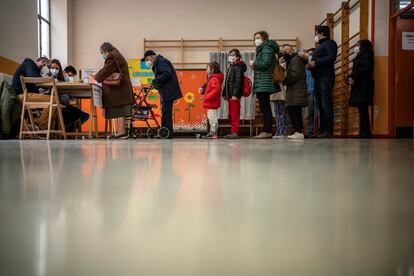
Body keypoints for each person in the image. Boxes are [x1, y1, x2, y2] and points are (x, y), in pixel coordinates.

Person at [93, 42, 135, 139]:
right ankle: (121, 132)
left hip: (120, 88)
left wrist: (97, 76)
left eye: (101, 53)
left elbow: (106, 70)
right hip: (122, 88)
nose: (102, 55)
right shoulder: (117, 54)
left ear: (105, 51)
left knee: (120, 109)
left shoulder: (112, 56)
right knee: (120, 109)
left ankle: (121, 132)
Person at [142, 50, 182, 139]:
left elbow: (167, 74)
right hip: (166, 91)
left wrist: (155, 81)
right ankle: (166, 133)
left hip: (168, 91)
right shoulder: (158, 62)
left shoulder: (161, 61)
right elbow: (163, 77)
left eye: (146, 59)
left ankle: (166, 134)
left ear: (151, 57)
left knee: (166, 113)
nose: (146, 62)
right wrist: (154, 84)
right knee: (165, 112)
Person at [307, 25, 338, 138]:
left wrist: (316, 63)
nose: (315, 36)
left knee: (326, 105)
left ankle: (328, 130)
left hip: (325, 78)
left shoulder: (330, 43)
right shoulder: (321, 45)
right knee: (320, 105)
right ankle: (322, 130)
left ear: (320, 33)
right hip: (318, 78)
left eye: (316, 34)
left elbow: (331, 58)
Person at [250, 31, 280, 139]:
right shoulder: (262, 49)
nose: (256, 40)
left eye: (258, 38)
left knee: (265, 107)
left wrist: (254, 64)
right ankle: (266, 130)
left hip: (264, 81)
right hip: (262, 82)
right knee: (264, 107)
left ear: (264, 38)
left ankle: (267, 130)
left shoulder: (266, 48)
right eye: (255, 38)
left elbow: (266, 63)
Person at [12, 57, 54, 130]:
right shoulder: (30, 63)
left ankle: (34, 124)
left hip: (24, 95)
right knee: (54, 101)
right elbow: (34, 78)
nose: (45, 68)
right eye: (46, 66)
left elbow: (34, 85)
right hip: (22, 95)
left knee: (57, 102)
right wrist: (48, 79)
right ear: (42, 61)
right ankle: (41, 128)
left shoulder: (32, 69)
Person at [51, 59, 89, 132]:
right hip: (58, 103)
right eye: (70, 75)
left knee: (84, 115)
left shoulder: (60, 79)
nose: (54, 70)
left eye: (56, 68)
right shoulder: (54, 80)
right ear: (64, 72)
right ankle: (68, 130)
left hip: (61, 103)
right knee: (72, 113)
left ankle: (69, 130)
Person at [347, 39, 374, 138]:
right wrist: (351, 77)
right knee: (362, 110)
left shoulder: (366, 55)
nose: (356, 47)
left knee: (363, 109)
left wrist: (352, 76)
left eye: (358, 45)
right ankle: (364, 131)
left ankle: (365, 132)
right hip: (361, 84)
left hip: (364, 85)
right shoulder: (364, 55)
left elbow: (364, 69)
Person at [281, 45, 308, 139]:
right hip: (295, 89)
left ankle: (298, 131)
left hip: (296, 89)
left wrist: (284, 80)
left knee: (293, 110)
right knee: (295, 110)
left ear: (291, 51)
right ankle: (298, 131)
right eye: (282, 52)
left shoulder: (295, 60)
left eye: (285, 52)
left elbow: (295, 75)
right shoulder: (293, 60)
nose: (284, 54)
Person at [223, 49, 246, 139]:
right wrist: (225, 93)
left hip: (234, 95)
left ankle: (235, 132)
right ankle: (233, 131)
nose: (231, 56)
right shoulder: (231, 67)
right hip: (230, 95)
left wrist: (235, 95)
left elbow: (238, 82)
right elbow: (227, 82)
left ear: (238, 57)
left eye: (233, 55)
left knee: (235, 114)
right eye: (230, 54)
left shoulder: (238, 67)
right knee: (232, 114)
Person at [200, 62, 224, 139]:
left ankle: (213, 132)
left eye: (207, 68)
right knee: (211, 117)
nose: (206, 70)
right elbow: (210, 89)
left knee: (212, 118)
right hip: (211, 102)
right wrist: (203, 91)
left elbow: (216, 90)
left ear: (212, 70)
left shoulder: (214, 78)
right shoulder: (212, 78)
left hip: (212, 102)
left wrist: (206, 97)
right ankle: (212, 131)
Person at [270, 56, 290, 139]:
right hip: (275, 93)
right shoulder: (275, 67)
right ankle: (279, 131)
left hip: (281, 93)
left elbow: (281, 79)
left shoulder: (283, 66)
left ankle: (283, 131)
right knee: (277, 114)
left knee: (282, 113)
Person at [305, 48, 318, 138]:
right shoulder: (305, 68)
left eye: (312, 54)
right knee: (309, 114)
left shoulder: (318, 66)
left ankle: (319, 131)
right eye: (309, 54)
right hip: (308, 92)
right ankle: (309, 131)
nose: (310, 56)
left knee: (318, 113)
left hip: (317, 92)